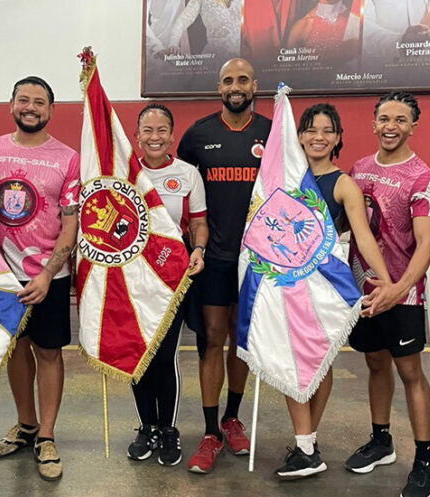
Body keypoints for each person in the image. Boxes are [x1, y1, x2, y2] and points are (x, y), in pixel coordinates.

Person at [275, 103, 394, 480]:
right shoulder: (285, 176)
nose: (318, 137)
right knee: (291, 363)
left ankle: (307, 443)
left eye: (327, 130)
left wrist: (388, 280)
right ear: (299, 136)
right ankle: (305, 445)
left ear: (338, 138)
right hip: (284, 284)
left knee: (317, 364)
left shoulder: (343, 184)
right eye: (310, 129)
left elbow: (362, 235)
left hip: (323, 289)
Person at [177, 57, 272, 474]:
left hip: (258, 260)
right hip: (213, 258)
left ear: (255, 85)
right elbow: (179, 190)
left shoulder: (272, 133)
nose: (236, 86)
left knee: (242, 340)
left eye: (243, 80)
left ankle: (234, 418)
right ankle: (211, 430)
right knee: (212, 339)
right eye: (229, 80)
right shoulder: (198, 136)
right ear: (219, 88)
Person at [345, 92, 430, 497]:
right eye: (384, 118)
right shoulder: (359, 168)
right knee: (375, 363)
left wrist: (398, 290)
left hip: (402, 296)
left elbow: (426, 244)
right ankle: (381, 440)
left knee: (410, 372)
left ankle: (424, 457)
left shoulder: (422, 177)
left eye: (400, 120)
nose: (391, 126)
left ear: (413, 126)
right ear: (373, 122)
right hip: (363, 292)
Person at [0, 76, 79, 482]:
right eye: (24, 100)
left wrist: (48, 273)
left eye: (39, 102)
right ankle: (25, 425)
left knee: (49, 353)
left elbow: (71, 223)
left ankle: (46, 435)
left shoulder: (68, 158)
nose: (31, 107)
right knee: (15, 352)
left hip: (49, 277)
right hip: (1, 277)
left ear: (51, 110)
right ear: (11, 105)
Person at [126, 103, 209, 467]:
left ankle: (168, 428)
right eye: (148, 130)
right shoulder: (123, 174)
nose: (155, 137)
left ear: (172, 136)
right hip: (130, 283)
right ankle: (148, 428)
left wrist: (200, 249)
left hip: (172, 280)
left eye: (162, 130)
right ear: (137, 135)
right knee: (138, 357)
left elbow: (198, 224)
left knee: (164, 356)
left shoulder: (188, 174)